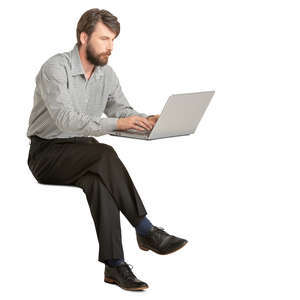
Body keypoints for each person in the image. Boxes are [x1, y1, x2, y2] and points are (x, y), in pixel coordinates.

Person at [26, 8, 188, 291]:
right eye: (104, 39)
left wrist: (144, 120)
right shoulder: (55, 68)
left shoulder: (106, 74)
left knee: (99, 183)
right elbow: (65, 119)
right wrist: (118, 123)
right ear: (83, 37)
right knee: (105, 153)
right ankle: (145, 229)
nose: (110, 47)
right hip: (47, 153)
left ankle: (114, 266)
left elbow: (120, 110)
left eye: (113, 40)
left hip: (82, 151)